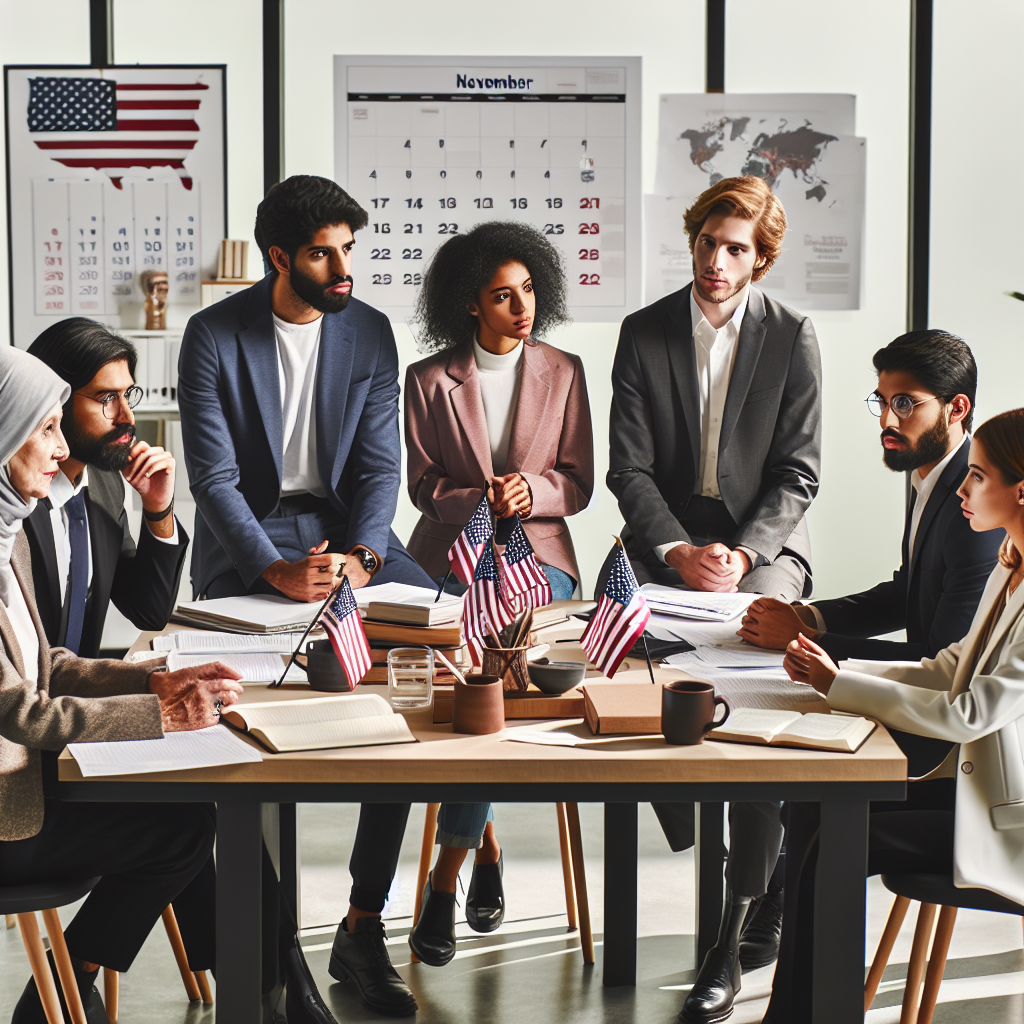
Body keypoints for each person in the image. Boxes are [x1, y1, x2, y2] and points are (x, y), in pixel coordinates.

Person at [178, 174, 426, 1017]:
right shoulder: (214, 334)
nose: (343, 264)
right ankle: (275, 953)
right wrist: (269, 568)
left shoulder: (370, 333)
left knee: (419, 676)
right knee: (241, 725)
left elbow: (379, 465)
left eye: (349, 247)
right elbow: (211, 478)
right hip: (248, 540)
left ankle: (363, 922)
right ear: (281, 256)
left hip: (344, 533)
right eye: (324, 252)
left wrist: (363, 550)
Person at [600, 176, 821, 1024]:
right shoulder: (644, 330)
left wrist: (744, 552)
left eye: (736, 249)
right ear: (692, 240)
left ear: (759, 257)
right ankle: (700, 833)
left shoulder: (794, 336)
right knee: (624, 664)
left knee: (755, 684)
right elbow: (629, 468)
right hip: (667, 540)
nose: (716, 262)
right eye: (706, 243)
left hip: (758, 547)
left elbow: (799, 471)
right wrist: (674, 549)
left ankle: (729, 932)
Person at [0, 345, 243, 1023]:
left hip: (22, 783)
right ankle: (60, 994)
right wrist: (158, 713)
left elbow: (47, 663)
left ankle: (69, 990)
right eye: (42, 427)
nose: (57, 449)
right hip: (6, 814)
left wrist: (158, 676)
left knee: (191, 816)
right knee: (183, 828)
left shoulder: (5, 537)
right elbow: (23, 711)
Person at [764, 407, 1024, 1024]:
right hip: (972, 796)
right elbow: (949, 666)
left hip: (1009, 824)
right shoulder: (1010, 565)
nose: (961, 486)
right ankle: (793, 1014)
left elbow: (968, 712)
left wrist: (841, 684)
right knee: (814, 804)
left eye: (978, 476)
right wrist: (838, 673)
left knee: (839, 841)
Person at [403, 222, 594, 966]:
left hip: (538, 562)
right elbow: (421, 487)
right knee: (473, 688)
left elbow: (576, 482)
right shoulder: (429, 379)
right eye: (502, 296)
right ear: (469, 306)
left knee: (492, 668)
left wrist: (533, 491)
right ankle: (481, 847)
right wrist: (477, 498)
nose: (522, 308)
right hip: (450, 555)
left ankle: (446, 877)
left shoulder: (566, 370)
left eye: (529, 293)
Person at [738, 329, 1002, 780]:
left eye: (905, 403)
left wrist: (807, 643)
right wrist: (809, 617)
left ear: (956, 408)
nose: (886, 420)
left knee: (794, 760)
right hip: (918, 703)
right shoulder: (932, 477)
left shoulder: (974, 507)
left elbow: (942, 659)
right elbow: (908, 591)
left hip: (947, 744)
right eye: (881, 401)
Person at [23, 318, 189, 659]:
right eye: (107, 398)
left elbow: (149, 612)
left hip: (81, 695)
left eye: (127, 395)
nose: (127, 416)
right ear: (56, 403)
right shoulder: (14, 499)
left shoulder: (105, 484)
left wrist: (158, 508)